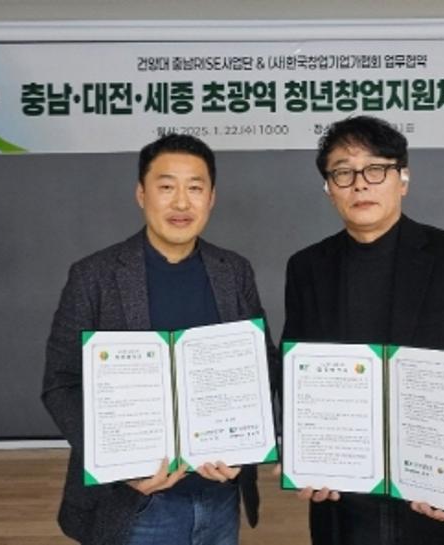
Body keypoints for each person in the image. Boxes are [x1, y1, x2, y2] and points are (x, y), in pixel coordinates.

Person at [282, 115, 444, 545]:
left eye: (376, 169)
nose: (360, 185)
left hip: (440, 493)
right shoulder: (307, 268)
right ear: (329, 189)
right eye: (343, 173)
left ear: (403, 180)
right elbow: (296, 372)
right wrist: (304, 455)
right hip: (345, 499)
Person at [42, 133, 275, 545]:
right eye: (166, 187)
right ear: (141, 194)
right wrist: (117, 464)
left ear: (211, 198)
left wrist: (245, 446)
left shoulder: (233, 271)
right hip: (135, 502)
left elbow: (261, 365)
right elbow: (61, 383)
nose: (181, 203)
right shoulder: (94, 276)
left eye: (195, 188)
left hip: (220, 496)